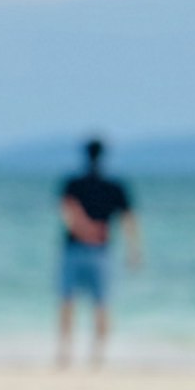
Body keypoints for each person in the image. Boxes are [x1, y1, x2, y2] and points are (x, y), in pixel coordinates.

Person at [55, 136, 140, 368]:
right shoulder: (114, 186)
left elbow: (66, 212)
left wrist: (83, 230)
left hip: (76, 249)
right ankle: (96, 357)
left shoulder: (74, 183)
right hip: (99, 250)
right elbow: (129, 220)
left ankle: (67, 355)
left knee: (69, 302)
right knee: (100, 304)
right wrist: (134, 251)